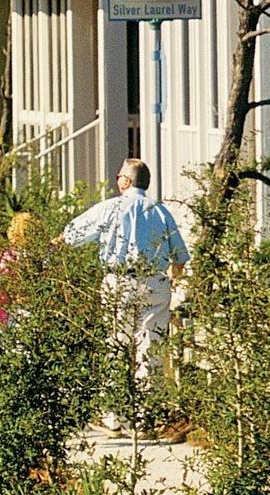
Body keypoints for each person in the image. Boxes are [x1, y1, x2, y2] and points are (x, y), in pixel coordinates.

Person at [61, 158, 190, 385]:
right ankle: (145, 415)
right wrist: (172, 281)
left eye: (119, 176)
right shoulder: (161, 212)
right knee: (151, 351)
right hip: (154, 282)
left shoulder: (109, 208)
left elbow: (72, 235)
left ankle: (117, 416)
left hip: (119, 281)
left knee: (117, 347)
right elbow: (180, 257)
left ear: (126, 181)